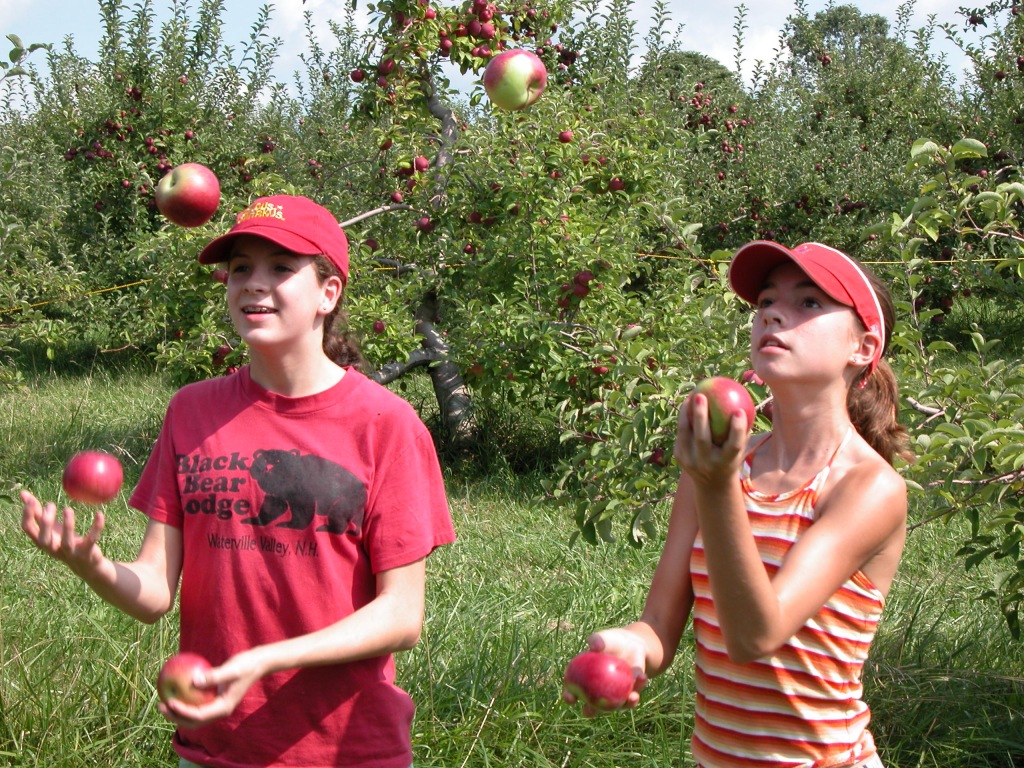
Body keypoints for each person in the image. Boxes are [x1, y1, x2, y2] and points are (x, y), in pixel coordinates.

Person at [21, 195, 456, 768]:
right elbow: (154, 592)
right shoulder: (191, 412)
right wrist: (90, 563)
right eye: (241, 268)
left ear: (329, 294)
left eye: (281, 268)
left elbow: (402, 616)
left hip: (344, 748)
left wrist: (266, 660)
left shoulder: (386, 424)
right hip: (214, 747)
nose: (253, 283)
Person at [564, 240, 913, 768]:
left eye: (809, 303)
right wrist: (630, 646)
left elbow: (757, 636)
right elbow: (659, 623)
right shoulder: (721, 466)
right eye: (765, 302)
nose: (773, 312)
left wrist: (716, 483)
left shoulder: (867, 488)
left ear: (862, 348)